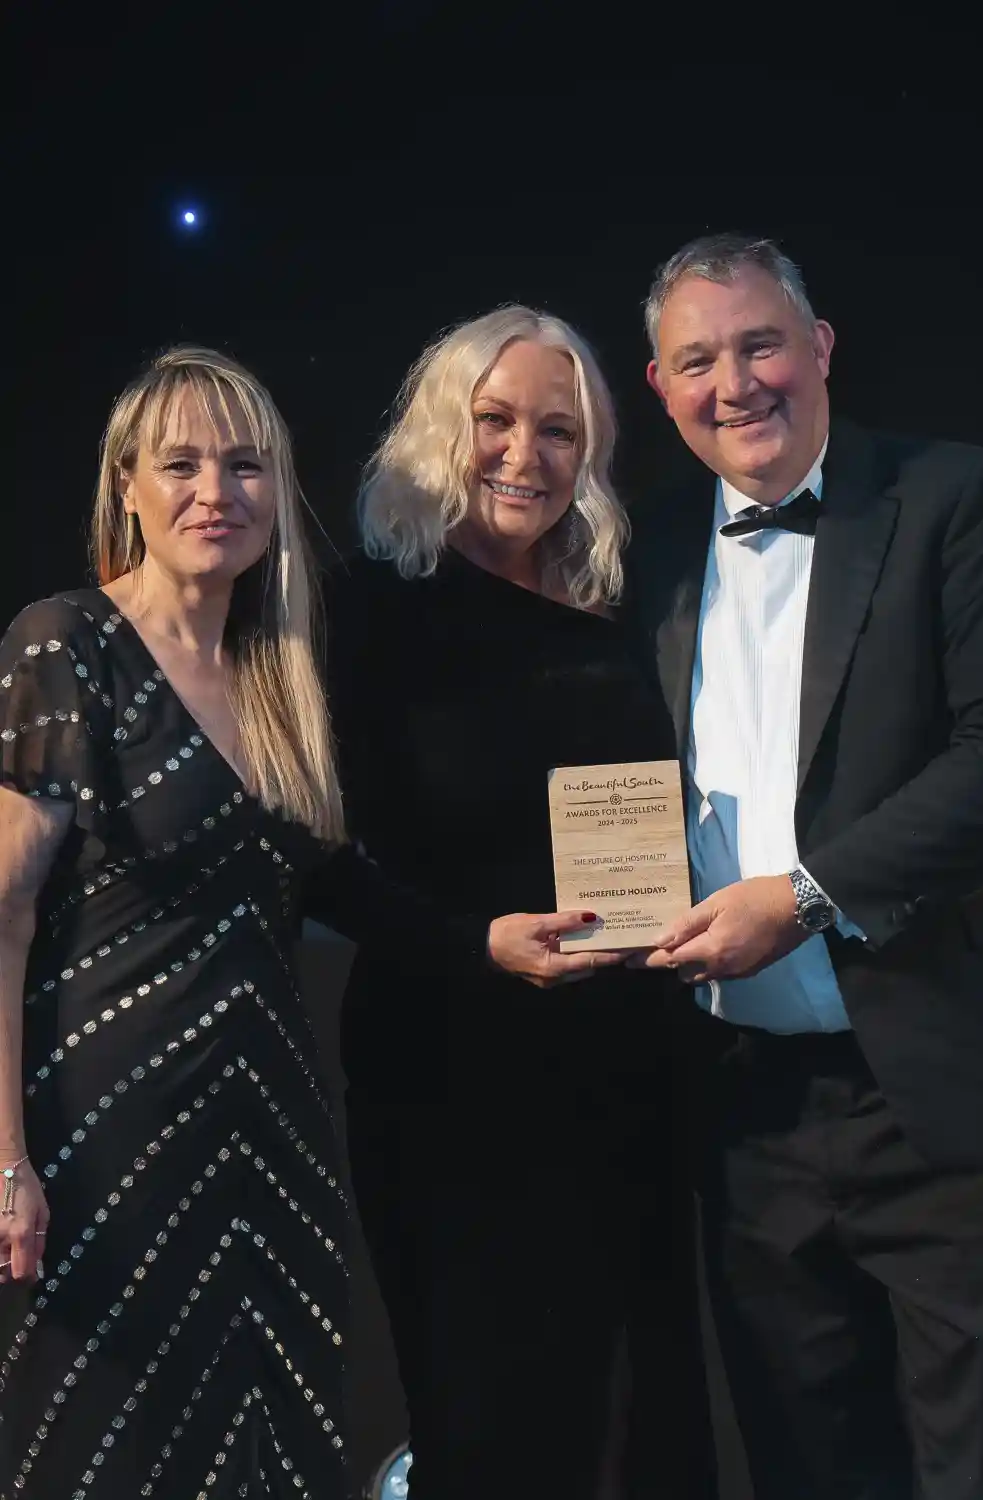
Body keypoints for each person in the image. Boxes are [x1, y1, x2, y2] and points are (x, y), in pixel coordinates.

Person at [0, 346, 614, 1500]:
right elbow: (2, 917)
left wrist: (484, 942)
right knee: (108, 1451)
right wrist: (3, 1160)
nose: (214, 492)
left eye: (245, 466)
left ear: (277, 491)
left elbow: (333, 881)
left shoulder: (279, 675)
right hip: (107, 1136)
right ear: (125, 484)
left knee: (271, 1442)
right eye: (179, 464)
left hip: (270, 1130)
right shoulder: (64, 641)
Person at [626, 232, 983, 1500]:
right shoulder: (646, 564)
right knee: (806, 1466)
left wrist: (802, 897)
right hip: (743, 1111)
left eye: (760, 343)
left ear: (821, 347)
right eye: (697, 361)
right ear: (659, 388)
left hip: (934, 1097)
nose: (735, 383)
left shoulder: (954, 497)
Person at [323, 307, 718, 1499]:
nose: (524, 456)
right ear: (440, 430)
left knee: (635, 1407)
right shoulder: (359, 615)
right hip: (449, 1078)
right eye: (493, 421)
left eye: (559, 431)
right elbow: (311, 855)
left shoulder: (628, 604)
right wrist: (471, 946)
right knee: (488, 1418)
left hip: (625, 1070)